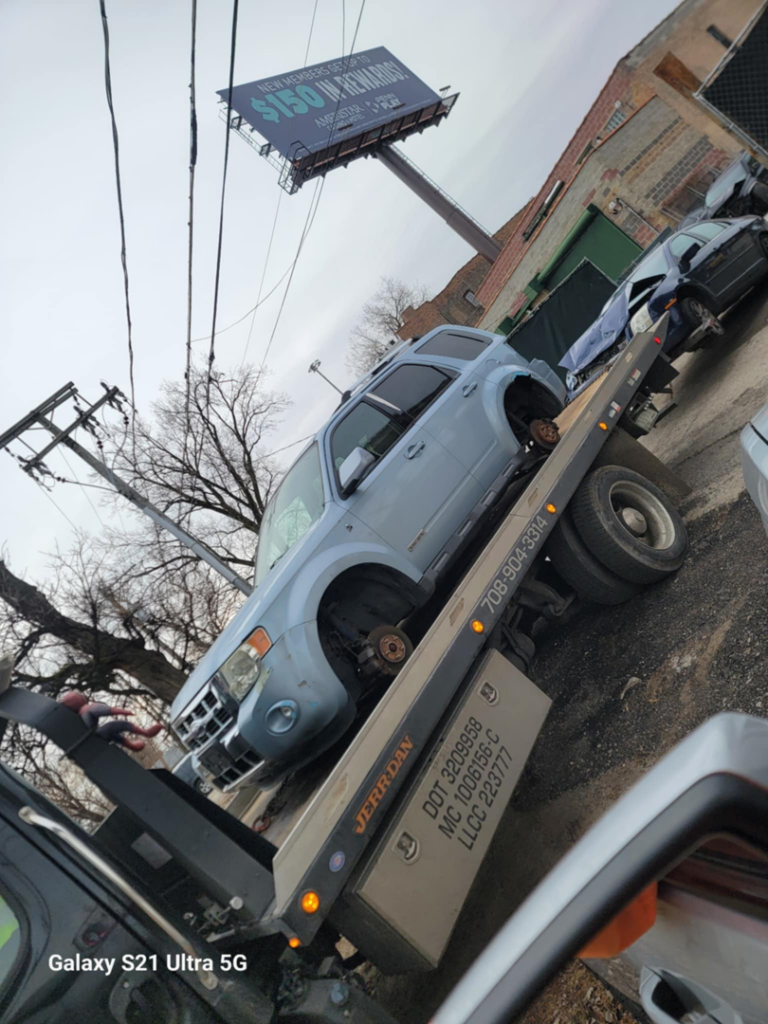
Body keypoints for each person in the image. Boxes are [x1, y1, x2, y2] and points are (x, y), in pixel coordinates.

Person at [60, 691, 163, 751]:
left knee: (114, 734)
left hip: (95, 736)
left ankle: (132, 745)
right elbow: (108, 710)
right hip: (97, 734)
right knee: (121, 725)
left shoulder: (79, 716)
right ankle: (145, 733)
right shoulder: (87, 708)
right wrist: (125, 712)